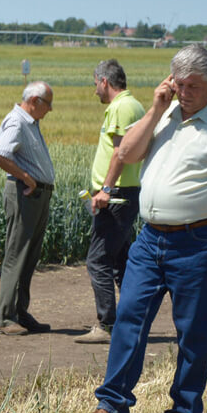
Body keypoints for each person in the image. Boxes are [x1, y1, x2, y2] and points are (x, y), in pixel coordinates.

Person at [78, 45, 207, 413]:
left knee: (193, 332)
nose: (184, 93)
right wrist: (156, 108)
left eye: (193, 86)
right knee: (128, 319)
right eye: (179, 84)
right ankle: (112, 406)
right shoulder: (164, 113)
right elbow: (126, 153)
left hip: (201, 242)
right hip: (150, 240)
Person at [78, 60, 146, 344]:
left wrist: (105, 189)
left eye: (95, 83)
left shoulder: (121, 107)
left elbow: (120, 152)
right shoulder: (134, 105)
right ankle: (134, 320)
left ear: (105, 81)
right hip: (124, 193)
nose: (95, 89)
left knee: (98, 260)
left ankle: (107, 325)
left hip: (116, 195)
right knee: (121, 262)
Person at [0, 81, 55, 335]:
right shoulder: (17, 122)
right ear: (35, 101)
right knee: (17, 255)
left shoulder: (30, 122)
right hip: (24, 195)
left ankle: (21, 312)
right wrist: (26, 177)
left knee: (29, 257)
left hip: (36, 195)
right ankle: (7, 317)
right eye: (48, 103)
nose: (50, 109)